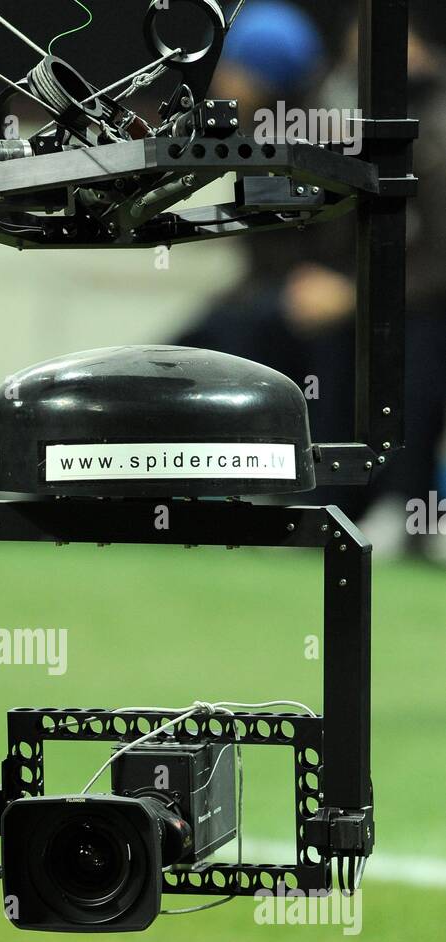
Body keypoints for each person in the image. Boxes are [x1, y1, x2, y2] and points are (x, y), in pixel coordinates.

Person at [178, 4, 446, 559]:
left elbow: (430, 253)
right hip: (331, 291)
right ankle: (176, 485)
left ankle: (363, 506)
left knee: (395, 351)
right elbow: (295, 238)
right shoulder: (323, 109)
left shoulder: (432, 122)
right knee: (203, 344)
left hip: (408, 302)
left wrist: (351, 293)